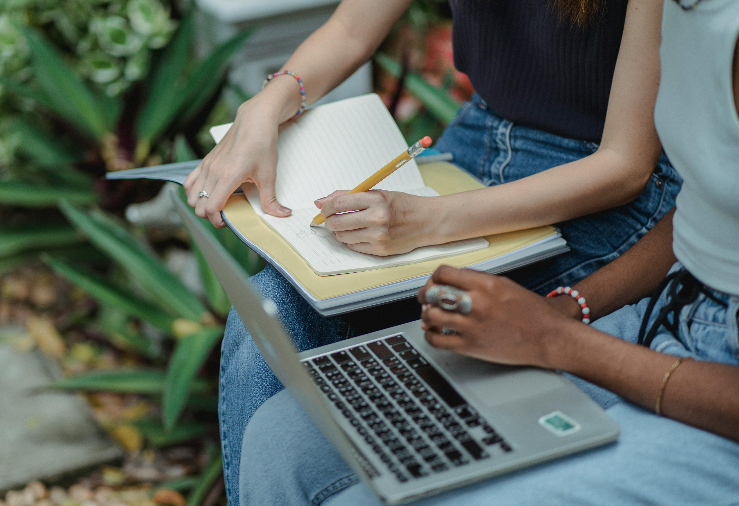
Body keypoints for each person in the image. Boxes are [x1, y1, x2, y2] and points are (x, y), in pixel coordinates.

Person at [237, 0, 739, 503]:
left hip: (608, 206)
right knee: (274, 383)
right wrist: (270, 101)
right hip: (498, 148)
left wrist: (554, 331)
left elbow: (630, 167)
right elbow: (351, 26)